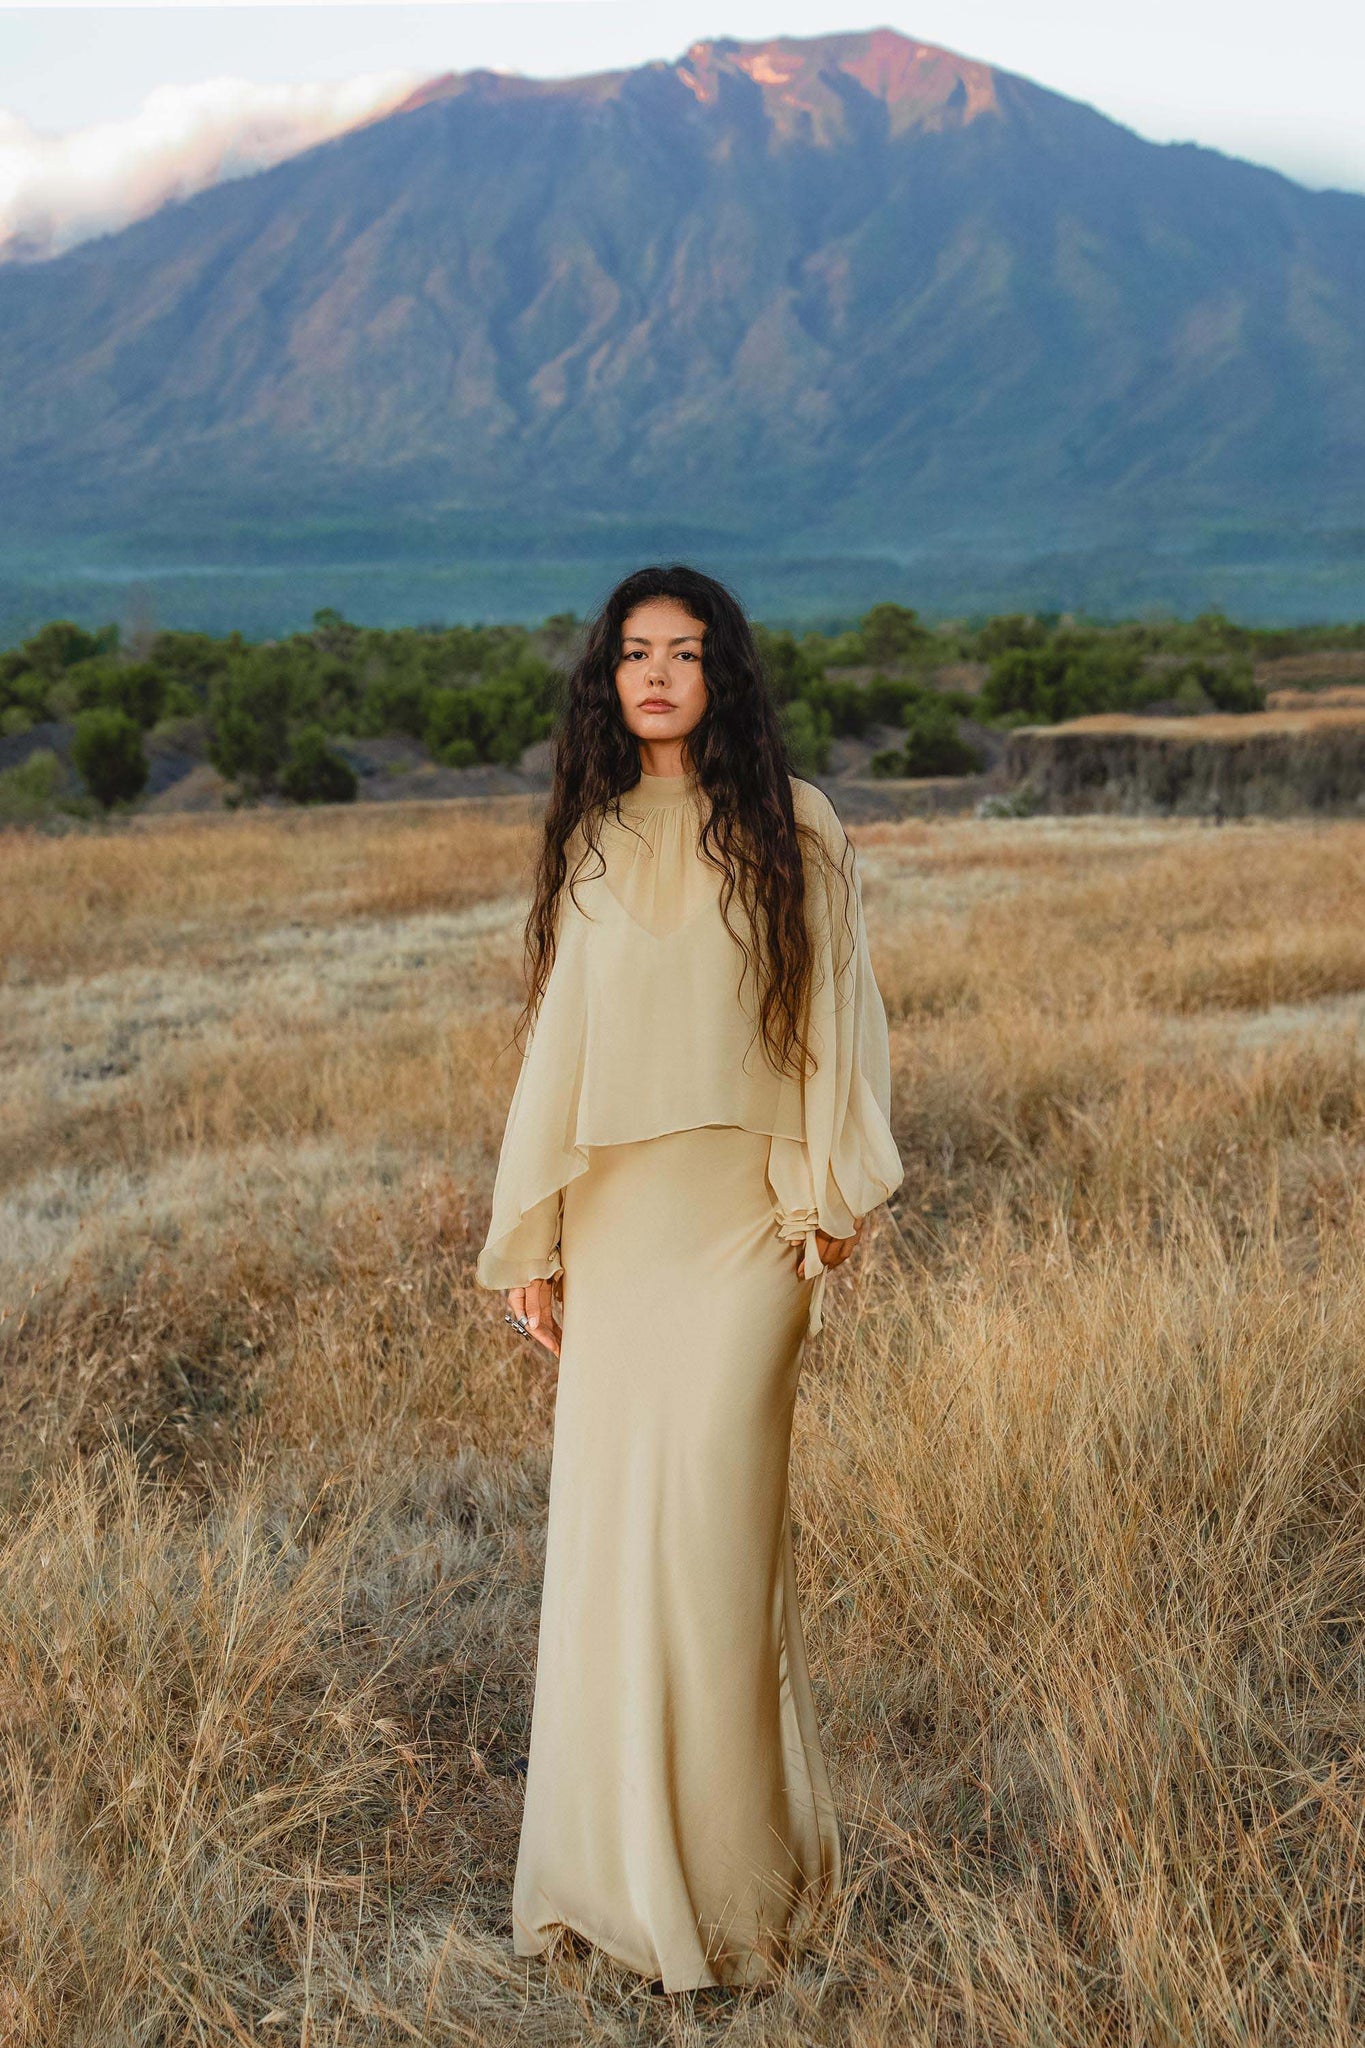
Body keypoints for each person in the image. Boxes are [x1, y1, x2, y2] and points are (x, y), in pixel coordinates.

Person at [475, 563, 903, 1992]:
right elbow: (560, 1052)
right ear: (608, 679)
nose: (655, 674)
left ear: (724, 675)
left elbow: (841, 1012)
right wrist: (530, 1237)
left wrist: (831, 1198)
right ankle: (608, 1884)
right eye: (633, 654)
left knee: (715, 1555)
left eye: (685, 651)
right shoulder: (590, 838)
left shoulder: (797, 829)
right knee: (608, 1553)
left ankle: (734, 1901)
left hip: (740, 1232)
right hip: (618, 1226)